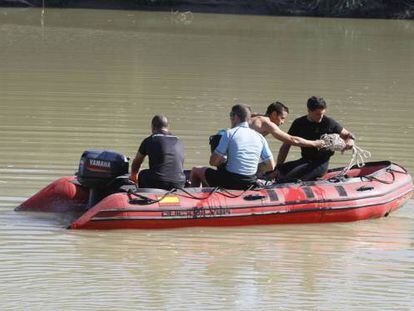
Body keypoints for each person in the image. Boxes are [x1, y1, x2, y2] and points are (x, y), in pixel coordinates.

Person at [190, 104, 275, 190]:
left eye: (231, 115)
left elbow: (213, 162)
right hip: (250, 182)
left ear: (235, 116)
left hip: (230, 182)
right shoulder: (259, 137)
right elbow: (271, 166)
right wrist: (254, 169)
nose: (230, 118)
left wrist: (223, 160)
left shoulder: (229, 133)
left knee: (196, 170)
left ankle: (194, 199)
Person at [275, 96, 355, 182]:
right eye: (317, 114)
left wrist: (350, 140)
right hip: (304, 160)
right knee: (279, 171)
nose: (320, 117)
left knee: (289, 178)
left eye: (322, 114)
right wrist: (278, 166)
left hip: (320, 164)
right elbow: (285, 146)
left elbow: (348, 135)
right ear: (309, 111)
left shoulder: (328, 122)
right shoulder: (299, 123)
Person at [130, 115, 185, 190]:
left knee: (142, 174)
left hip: (158, 182)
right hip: (179, 182)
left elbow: (137, 162)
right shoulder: (179, 141)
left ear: (153, 127)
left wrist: (133, 177)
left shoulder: (150, 139)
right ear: (168, 127)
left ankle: (143, 198)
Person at [250, 101, 325, 149]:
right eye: (282, 118)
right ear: (274, 114)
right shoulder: (267, 123)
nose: (282, 122)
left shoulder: (258, 118)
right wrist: (315, 143)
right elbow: (292, 140)